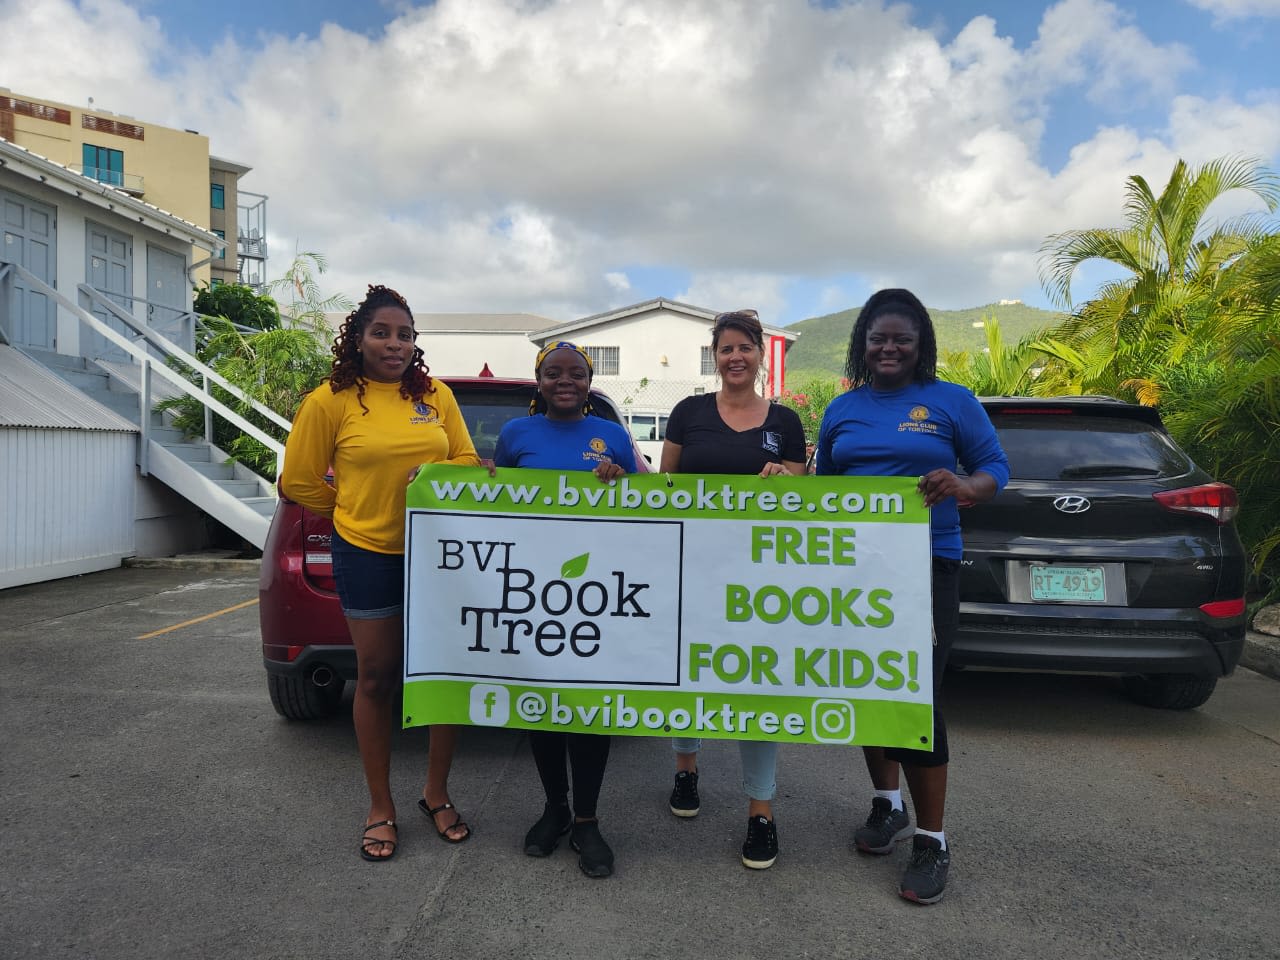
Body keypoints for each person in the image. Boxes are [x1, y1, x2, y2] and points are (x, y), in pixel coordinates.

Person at [815, 288, 1009, 904]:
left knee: (917, 699)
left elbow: (994, 470)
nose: (889, 347)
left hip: (927, 568)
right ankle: (885, 806)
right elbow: (823, 493)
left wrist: (962, 486)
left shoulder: (951, 402)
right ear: (863, 345)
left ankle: (933, 839)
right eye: (878, 338)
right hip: (854, 572)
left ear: (921, 343)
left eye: (901, 338)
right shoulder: (842, 410)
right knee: (868, 686)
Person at [280, 284, 481, 862]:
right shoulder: (331, 400)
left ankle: (435, 794)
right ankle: (379, 807)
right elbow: (297, 481)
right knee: (375, 679)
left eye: (405, 335)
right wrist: (348, 510)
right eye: (382, 333)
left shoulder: (435, 396)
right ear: (358, 339)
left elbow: (465, 459)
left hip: (438, 554)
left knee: (441, 677)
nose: (395, 344)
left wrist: (434, 470)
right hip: (366, 552)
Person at [663, 309, 807, 870]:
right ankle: (685, 771)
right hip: (690, 568)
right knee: (686, 670)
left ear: (758, 354)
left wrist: (787, 480)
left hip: (760, 579)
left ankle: (761, 813)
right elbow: (664, 488)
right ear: (715, 355)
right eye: (725, 349)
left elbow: (806, 500)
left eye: (745, 347)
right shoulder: (688, 413)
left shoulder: (787, 422)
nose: (735, 358)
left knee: (758, 689)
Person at [493, 341, 637, 878]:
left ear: (589, 380)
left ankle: (587, 819)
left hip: (597, 591)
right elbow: (490, 503)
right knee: (544, 704)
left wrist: (622, 481)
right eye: (553, 373)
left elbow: (653, 510)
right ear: (539, 381)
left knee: (589, 707)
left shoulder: (615, 437)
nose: (565, 382)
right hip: (534, 592)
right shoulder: (516, 435)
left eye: (576, 373)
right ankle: (553, 807)